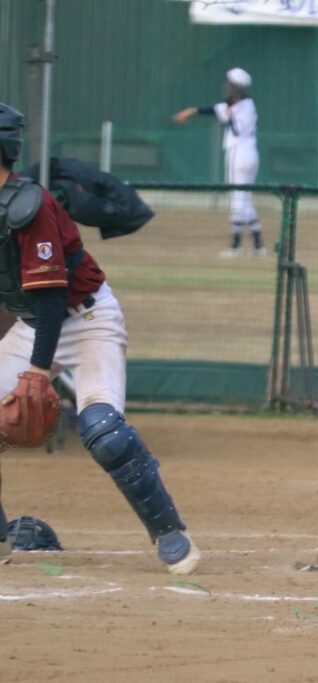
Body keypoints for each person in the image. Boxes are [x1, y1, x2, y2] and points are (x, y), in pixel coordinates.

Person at [0, 101, 200, 574]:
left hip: (87, 319)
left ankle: (169, 531)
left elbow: (52, 297)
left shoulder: (29, 206)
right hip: (31, 325)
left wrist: (37, 371)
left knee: (103, 431)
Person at [173, 67, 264, 258]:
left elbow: (237, 129)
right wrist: (192, 111)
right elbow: (215, 110)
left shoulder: (242, 107)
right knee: (245, 199)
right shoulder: (244, 104)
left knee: (237, 199)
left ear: (236, 88)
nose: (227, 88)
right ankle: (259, 246)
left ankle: (236, 247)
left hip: (239, 154)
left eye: (231, 85)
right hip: (250, 155)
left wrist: (230, 117)